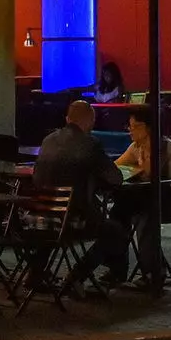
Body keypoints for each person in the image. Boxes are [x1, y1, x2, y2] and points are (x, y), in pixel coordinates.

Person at [32, 99, 128, 287]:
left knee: (52, 223)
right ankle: (76, 277)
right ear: (89, 120)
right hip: (73, 220)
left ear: (68, 118)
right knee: (116, 231)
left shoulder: (48, 140)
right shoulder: (90, 144)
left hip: (39, 216)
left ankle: (35, 274)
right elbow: (115, 178)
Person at [111, 105, 171, 287]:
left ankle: (153, 273)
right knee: (119, 212)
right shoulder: (135, 147)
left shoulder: (163, 146)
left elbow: (151, 173)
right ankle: (117, 268)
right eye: (129, 126)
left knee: (145, 216)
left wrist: (136, 166)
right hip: (157, 199)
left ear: (149, 127)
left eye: (135, 126)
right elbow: (115, 166)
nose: (130, 131)